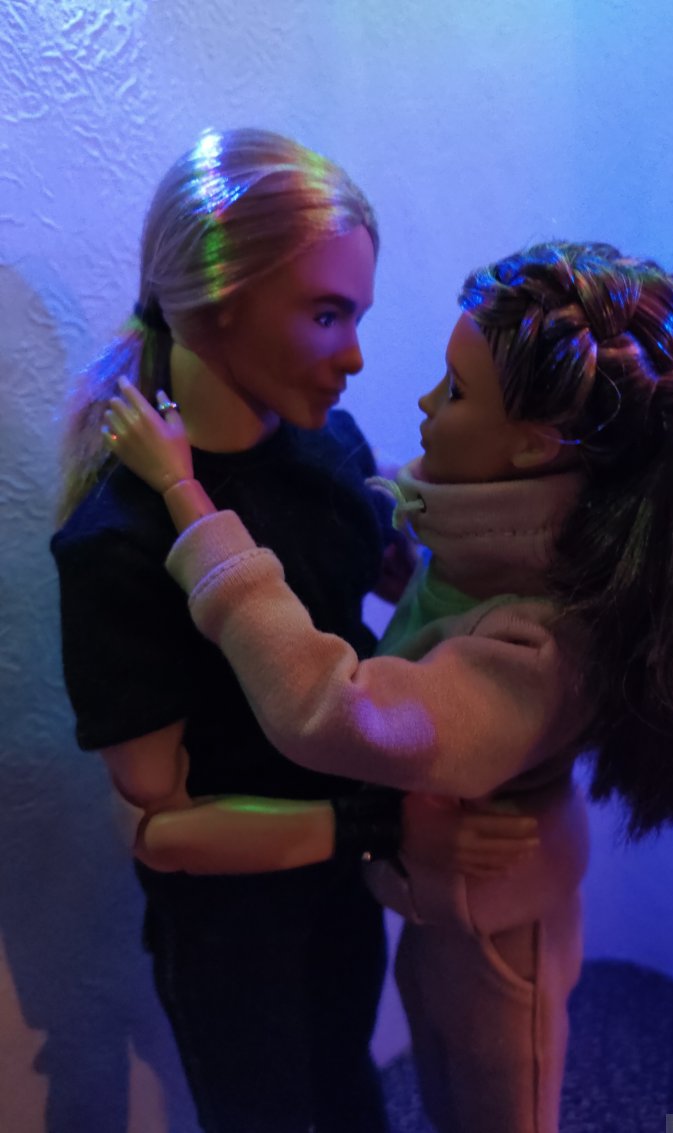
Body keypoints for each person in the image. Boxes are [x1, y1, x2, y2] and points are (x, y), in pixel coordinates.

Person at [105, 239, 673, 1133]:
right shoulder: (504, 549)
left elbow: (333, 710)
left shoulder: (538, 644)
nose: (422, 401)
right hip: (442, 900)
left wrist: (189, 503)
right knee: (444, 1079)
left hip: (496, 926)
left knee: (500, 1102)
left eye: (453, 391)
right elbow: (450, 605)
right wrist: (407, 568)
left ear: (530, 448)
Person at [50, 128, 536, 1133]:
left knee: (351, 1081)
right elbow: (161, 827)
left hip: (342, 889)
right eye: (325, 314)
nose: (355, 355)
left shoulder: (330, 445)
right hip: (234, 931)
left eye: (354, 313)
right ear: (214, 304)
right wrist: (380, 825)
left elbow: (367, 608)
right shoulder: (122, 540)